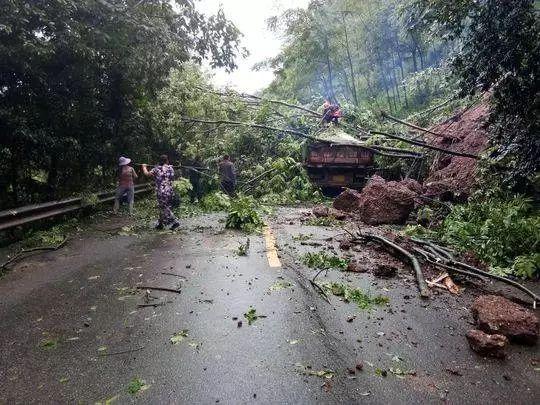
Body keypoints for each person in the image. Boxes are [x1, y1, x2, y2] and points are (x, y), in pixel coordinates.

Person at [142, 155, 180, 230]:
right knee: (163, 206)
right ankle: (160, 224)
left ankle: (175, 222)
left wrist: (144, 167)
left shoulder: (156, 169)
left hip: (162, 191)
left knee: (164, 207)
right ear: (167, 161)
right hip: (170, 190)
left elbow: (147, 174)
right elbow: (172, 177)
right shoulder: (171, 168)